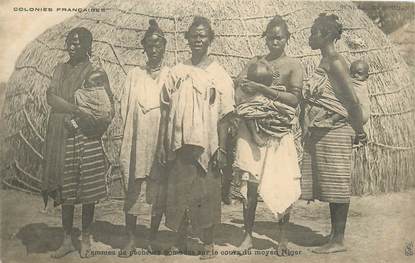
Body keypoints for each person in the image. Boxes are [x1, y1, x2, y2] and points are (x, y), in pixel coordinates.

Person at [160, 16, 235, 259]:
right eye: (194, 36)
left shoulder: (219, 74)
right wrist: (165, 143)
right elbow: (165, 107)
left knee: (207, 193)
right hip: (181, 143)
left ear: (210, 39)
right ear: (187, 40)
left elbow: (225, 115)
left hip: (208, 144)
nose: (198, 40)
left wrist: (222, 149)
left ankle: (208, 243)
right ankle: (180, 239)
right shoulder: (177, 71)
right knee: (179, 191)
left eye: (203, 35)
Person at [233, 15, 303, 252]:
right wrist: (248, 88)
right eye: (271, 37)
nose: (275, 41)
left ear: (287, 38)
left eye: (280, 37)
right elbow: (239, 84)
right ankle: (247, 236)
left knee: (283, 183)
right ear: (265, 37)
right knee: (250, 185)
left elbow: (294, 99)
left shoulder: (294, 65)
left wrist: (263, 88)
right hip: (252, 130)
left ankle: (282, 239)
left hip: (278, 131)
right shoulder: (255, 61)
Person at [43, 27, 114, 258]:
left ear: (87, 46)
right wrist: (76, 109)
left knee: (87, 190)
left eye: (77, 43)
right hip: (63, 135)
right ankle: (66, 239)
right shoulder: (60, 70)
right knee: (66, 190)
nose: (71, 47)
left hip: (86, 137)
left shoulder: (96, 72)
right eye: (69, 42)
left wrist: (83, 120)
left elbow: (107, 109)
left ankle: (85, 238)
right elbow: (51, 97)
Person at [300, 13, 368, 254]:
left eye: (314, 32)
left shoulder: (336, 62)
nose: (310, 37)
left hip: (337, 131)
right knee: (331, 185)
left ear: (326, 35)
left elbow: (352, 102)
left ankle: (338, 240)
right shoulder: (325, 61)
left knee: (338, 185)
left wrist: (359, 131)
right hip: (325, 131)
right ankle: (333, 235)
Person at [118, 19, 170, 256]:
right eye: (150, 44)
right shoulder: (134, 75)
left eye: (158, 45)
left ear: (164, 48)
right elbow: (124, 108)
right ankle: (130, 239)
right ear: (145, 48)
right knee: (134, 187)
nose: (154, 49)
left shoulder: (170, 75)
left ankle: (151, 238)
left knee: (157, 189)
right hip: (137, 140)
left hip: (160, 142)